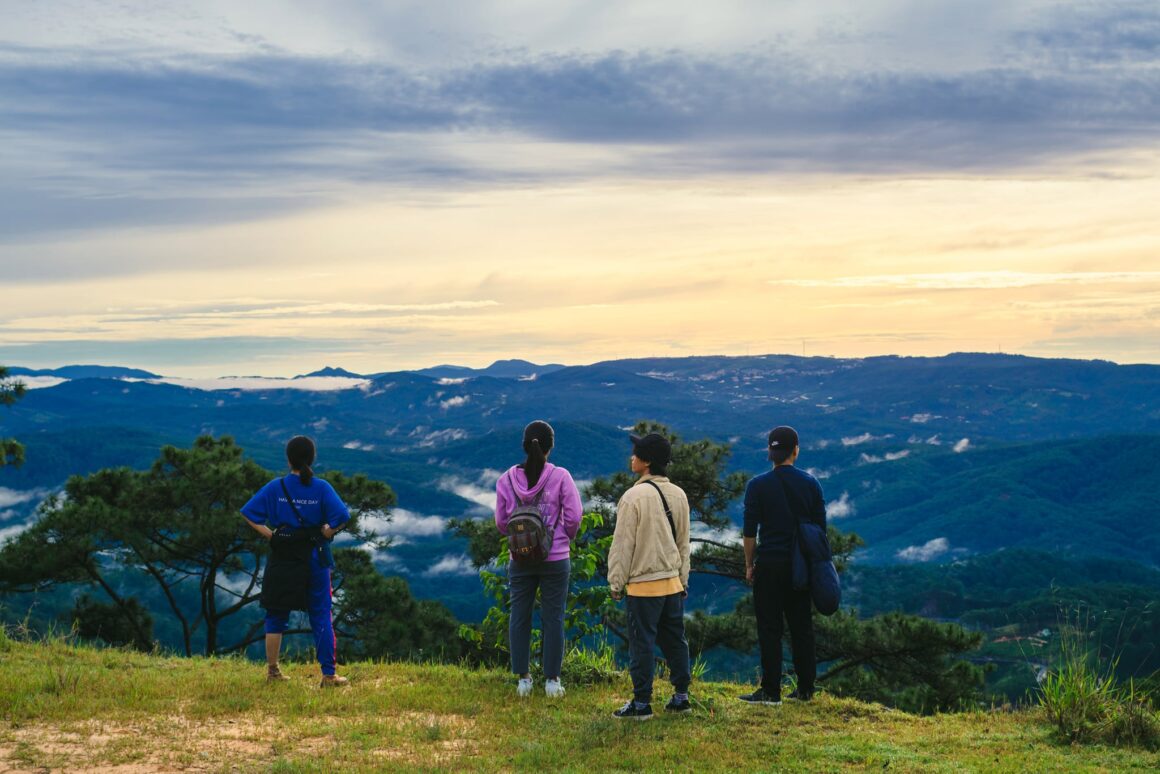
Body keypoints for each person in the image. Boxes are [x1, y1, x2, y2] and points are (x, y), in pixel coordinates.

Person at [241, 435, 350, 687]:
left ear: (288, 459)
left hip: (283, 557)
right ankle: (329, 675)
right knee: (321, 613)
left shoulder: (276, 487)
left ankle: (273, 672)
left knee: (276, 613)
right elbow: (343, 516)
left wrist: (272, 536)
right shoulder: (321, 488)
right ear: (312, 459)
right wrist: (328, 532)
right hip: (315, 557)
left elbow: (248, 513)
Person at [607, 432, 692, 720]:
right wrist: (683, 579)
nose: (632, 457)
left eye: (636, 454)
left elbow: (622, 546)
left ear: (646, 462)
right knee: (675, 640)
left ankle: (642, 704)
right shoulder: (678, 494)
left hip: (643, 587)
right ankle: (681, 696)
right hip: (671, 582)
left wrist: (616, 582)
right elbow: (683, 543)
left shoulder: (632, 497)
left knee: (641, 643)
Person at [494, 420, 583, 698]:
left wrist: (520, 540)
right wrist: (563, 537)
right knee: (553, 617)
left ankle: (523, 679)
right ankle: (552, 681)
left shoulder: (506, 480)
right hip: (555, 558)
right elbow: (574, 517)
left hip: (519, 558)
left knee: (519, 616)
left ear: (524, 445)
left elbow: (501, 522)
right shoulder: (561, 477)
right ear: (550, 447)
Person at [739, 425, 826, 705]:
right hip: (800, 566)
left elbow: (750, 531)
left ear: (770, 453)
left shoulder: (757, 485)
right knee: (802, 627)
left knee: (769, 628)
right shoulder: (811, 484)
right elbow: (820, 531)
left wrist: (750, 564)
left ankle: (771, 691)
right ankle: (805, 689)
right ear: (796, 451)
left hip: (770, 564)